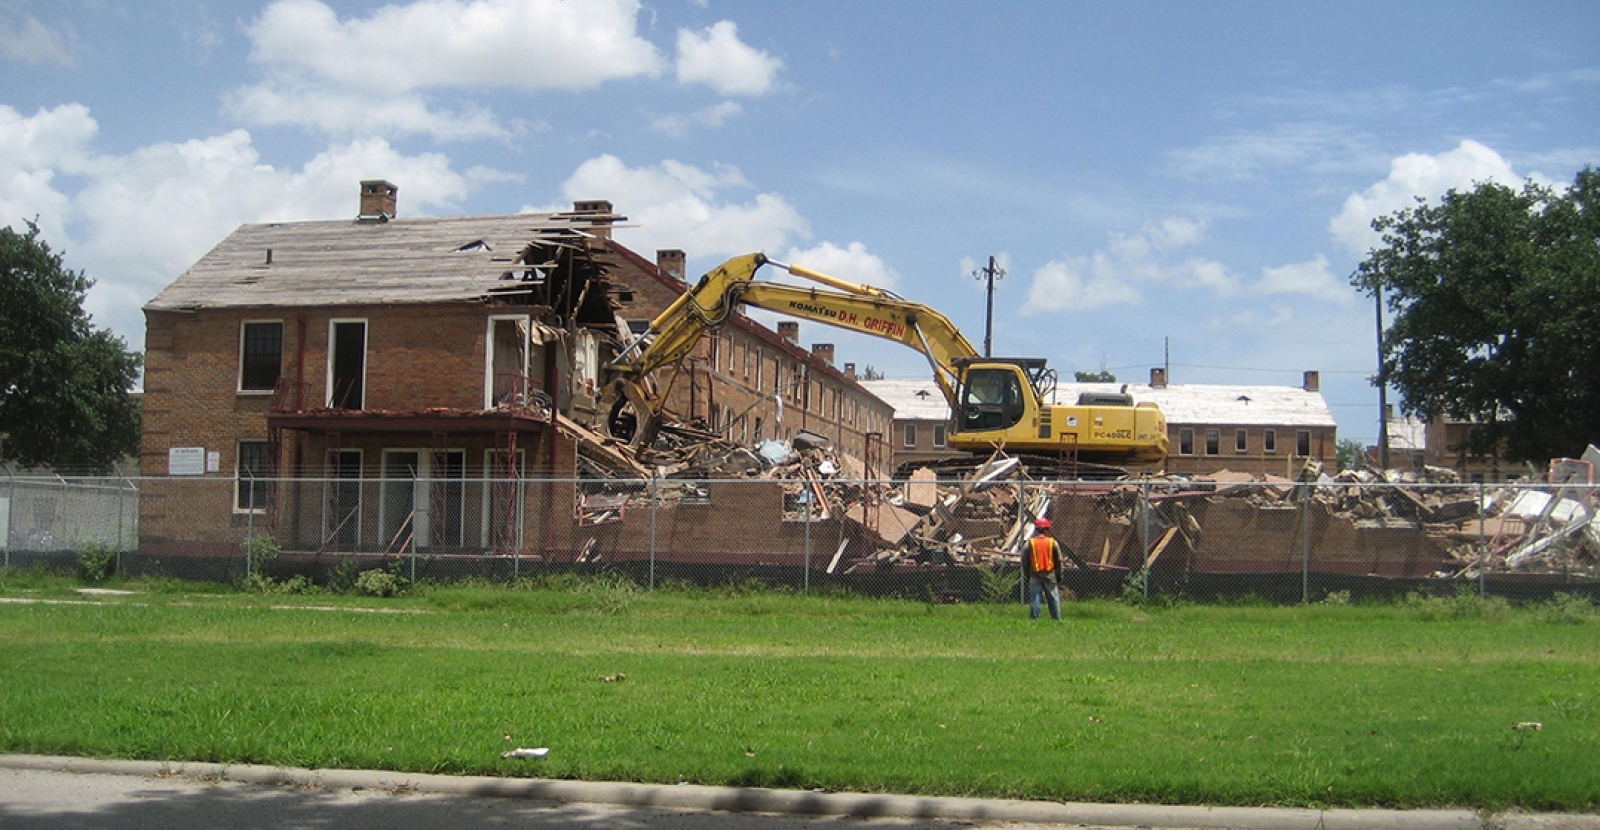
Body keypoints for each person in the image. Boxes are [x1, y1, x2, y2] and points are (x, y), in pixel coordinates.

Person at [1023, 517, 1064, 620]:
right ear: (1046, 529)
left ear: (1037, 529)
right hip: (1049, 575)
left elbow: (1024, 559)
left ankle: (1034, 619)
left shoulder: (1030, 543)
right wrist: (1059, 575)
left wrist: (1027, 573)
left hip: (1034, 575)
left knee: (1035, 599)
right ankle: (1056, 619)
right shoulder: (1052, 543)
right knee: (1053, 599)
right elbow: (1059, 560)